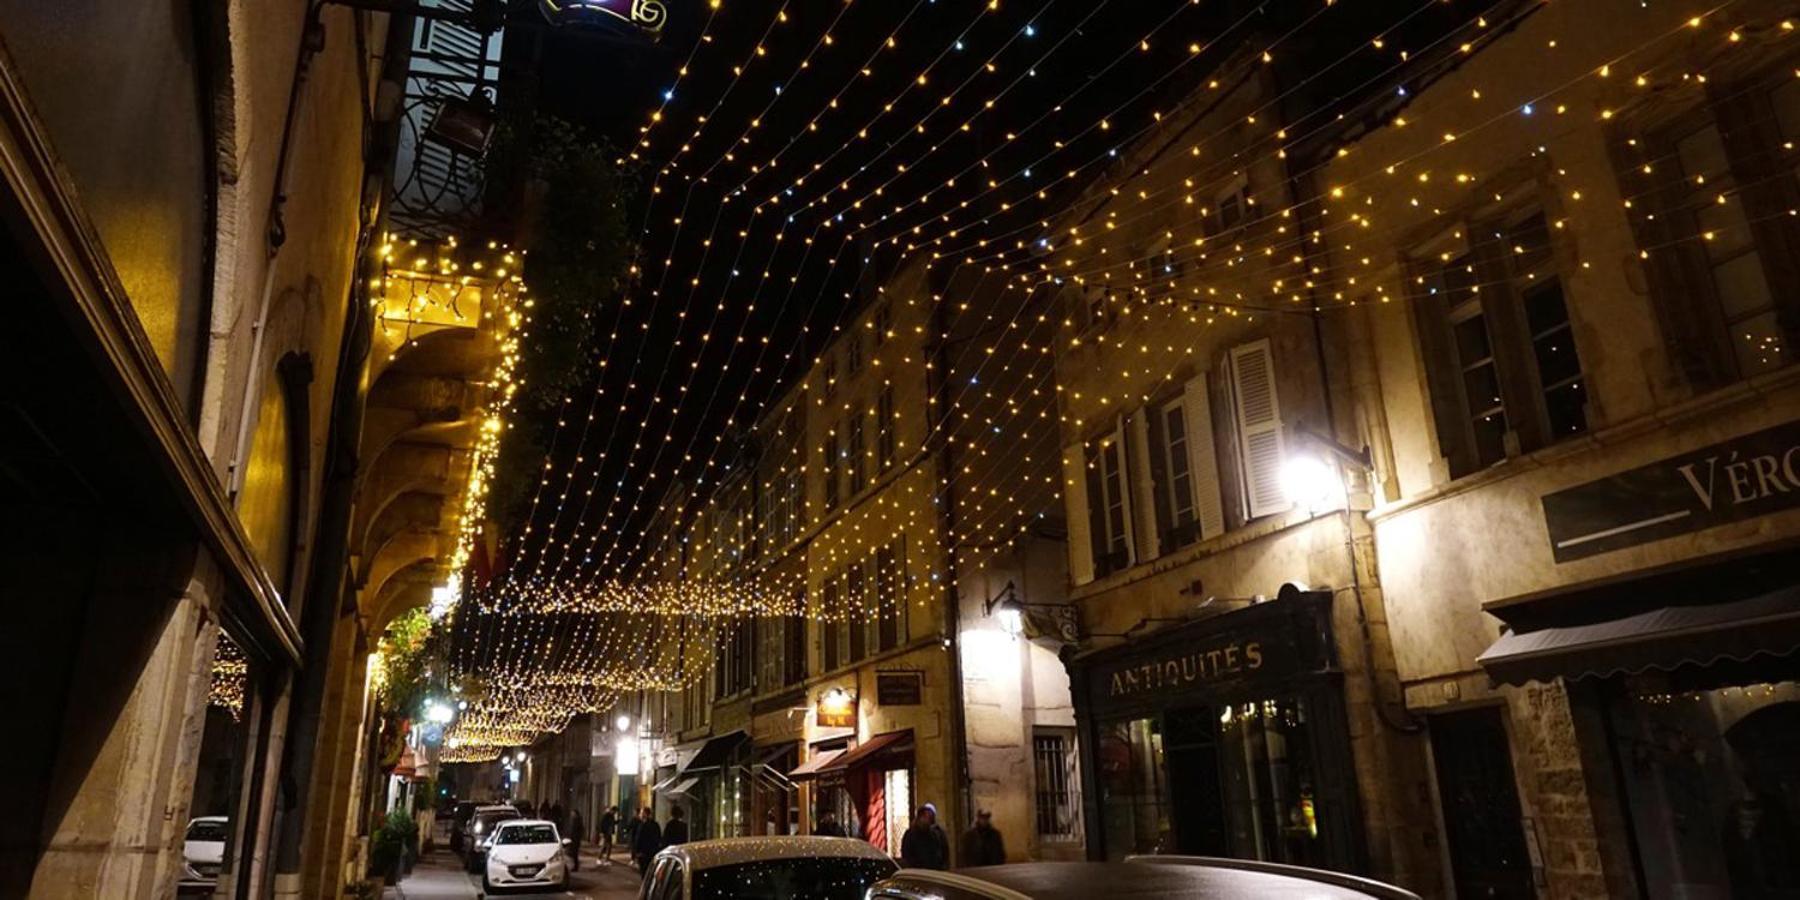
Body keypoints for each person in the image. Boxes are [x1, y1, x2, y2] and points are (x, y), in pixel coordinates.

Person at [900, 804, 949, 870]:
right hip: (917, 872)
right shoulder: (910, 835)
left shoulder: (934, 834)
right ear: (920, 817)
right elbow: (907, 855)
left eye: (930, 818)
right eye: (926, 817)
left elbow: (941, 852)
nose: (928, 821)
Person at [631, 807, 662, 874]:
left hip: (643, 852)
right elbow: (658, 837)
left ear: (645, 814)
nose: (640, 815)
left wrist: (637, 851)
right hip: (652, 851)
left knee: (644, 871)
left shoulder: (643, 825)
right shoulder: (655, 824)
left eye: (641, 813)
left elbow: (638, 839)